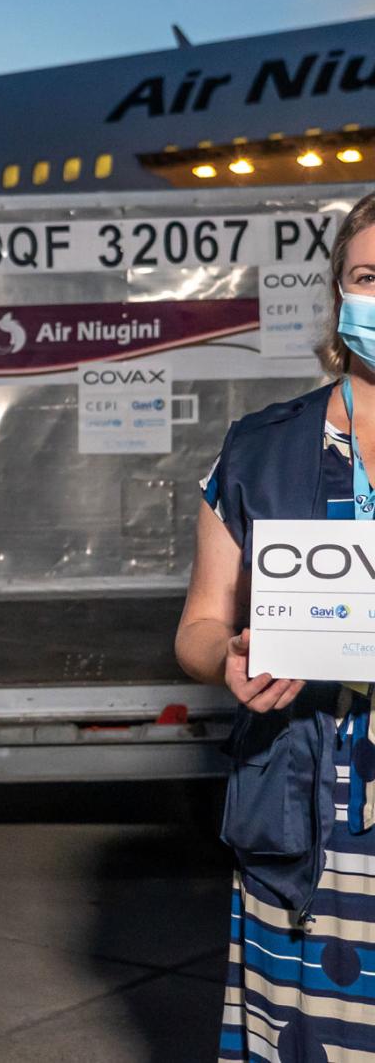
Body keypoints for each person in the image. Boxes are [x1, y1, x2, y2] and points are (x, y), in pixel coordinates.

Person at [177, 191, 375, 1058]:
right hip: (303, 812)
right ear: (339, 294)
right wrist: (227, 654)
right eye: (370, 276)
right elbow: (200, 625)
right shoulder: (260, 447)